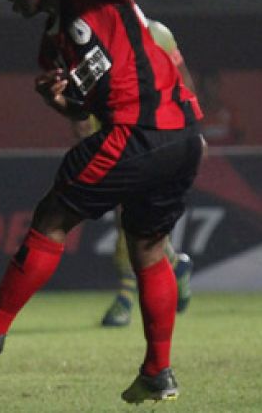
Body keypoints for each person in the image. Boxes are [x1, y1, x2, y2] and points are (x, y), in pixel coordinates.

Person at [0, 0, 204, 404]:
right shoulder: (54, 42)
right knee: (147, 248)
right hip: (178, 138)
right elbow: (85, 106)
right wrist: (61, 102)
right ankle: (157, 372)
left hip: (141, 130)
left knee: (52, 217)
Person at [71, 18, 194, 328]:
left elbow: (183, 82)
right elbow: (82, 98)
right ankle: (175, 266)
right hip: (111, 136)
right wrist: (82, 124)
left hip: (154, 134)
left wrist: (190, 127)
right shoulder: (90, 41)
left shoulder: (157, 33)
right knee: (128, 218)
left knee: (130, 216)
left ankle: (126, 299)